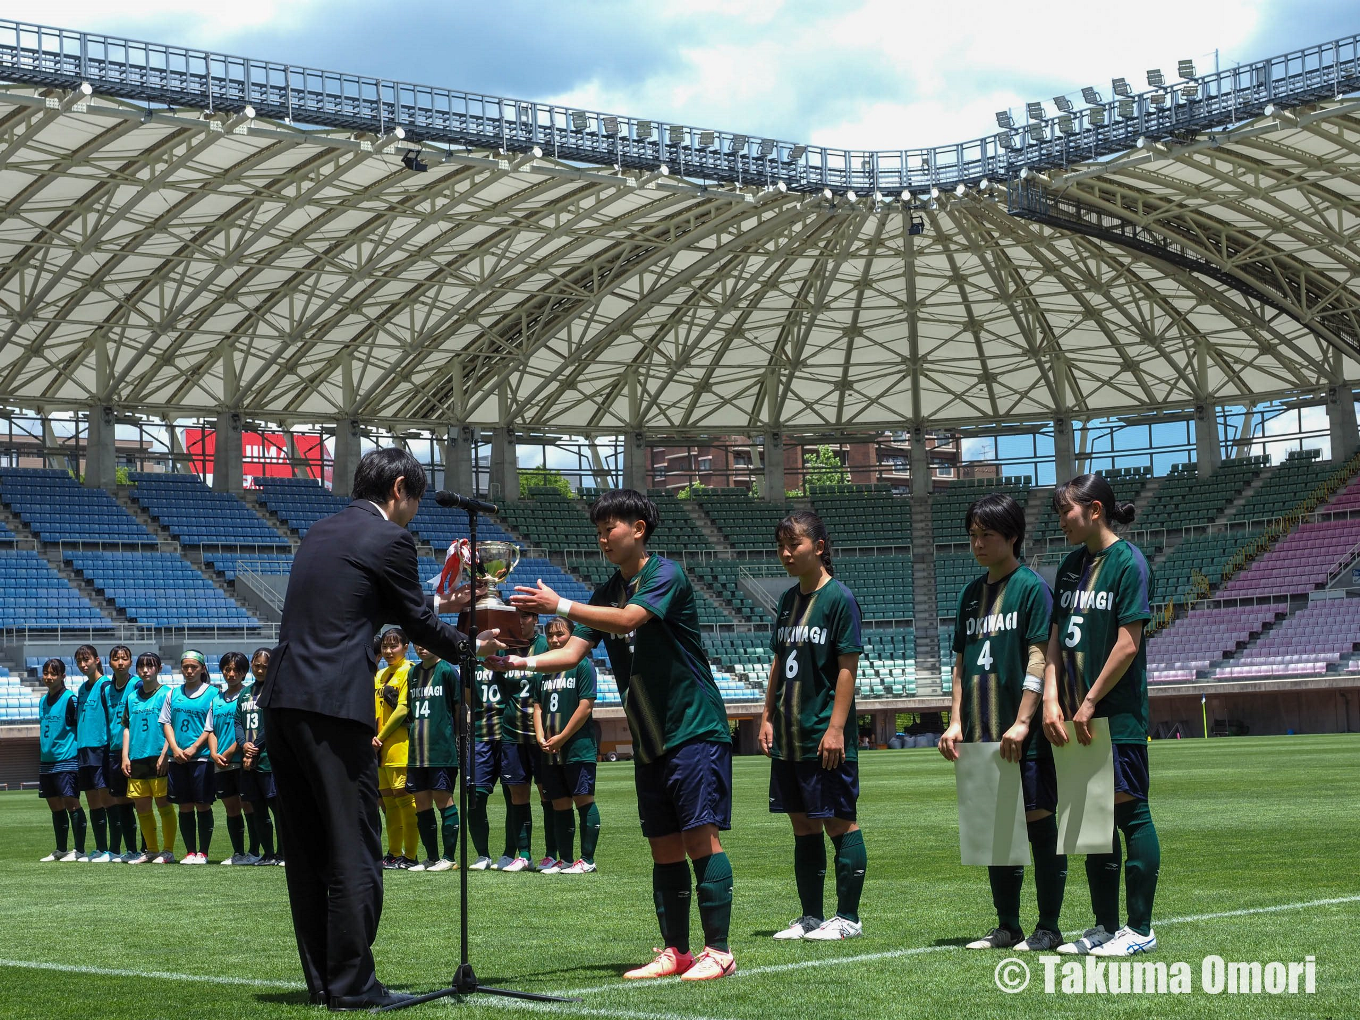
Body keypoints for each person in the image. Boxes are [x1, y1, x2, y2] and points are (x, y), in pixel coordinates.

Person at [258, 446, 498, 1012]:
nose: (413, 512)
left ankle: (323, 981)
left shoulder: (319, 531)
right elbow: (415, 622)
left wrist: (440, 602)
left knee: (308, 848)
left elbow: (360, 602)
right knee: (353, 849)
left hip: (284, 702)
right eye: (413, 500)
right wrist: (472, 649)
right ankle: (352, 985)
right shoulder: (391, 538)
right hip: (334, 705)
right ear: (398, 488)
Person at [499, 488, 736, 982]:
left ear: (639, 529)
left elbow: (631, 620)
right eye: (599, 530)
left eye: (612, 527)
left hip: (693, 727)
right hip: (651, 736)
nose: (604, 537)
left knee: (699, 838)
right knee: (663, 845)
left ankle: (720, 951)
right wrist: (520, 660)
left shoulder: (665, 574)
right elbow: (568, 655)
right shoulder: (609, 589)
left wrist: (561, 603)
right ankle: (677, 952)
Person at [937, 493, 1065, 953]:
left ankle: (1048, 926)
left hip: (1019, 734)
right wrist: (954, 721)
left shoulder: (1032, 588)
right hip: (979, 733)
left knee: (1036, 821)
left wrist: (1023, 720)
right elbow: (960, 662)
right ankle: (1007, 926)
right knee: (996, 830)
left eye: (986, 535)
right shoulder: (971, 595)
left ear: (1012, 536)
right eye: (972, 535)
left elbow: (1040, 655)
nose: (977, 544)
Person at [1042, 473, 1160, 958]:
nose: (1060, 522)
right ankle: (1104, 927)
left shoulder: (1128, 563)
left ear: (1094, 510)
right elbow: (1053, 638)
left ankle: (1140, 929)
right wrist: (1051, 697)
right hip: (1073, 717)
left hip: (1115, 714)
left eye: (1065, 512)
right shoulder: (1070, 566)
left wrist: (1089, 701)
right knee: (1092, 825)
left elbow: (1128, 643)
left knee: (1130, 813)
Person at [759, 510, 867, 942]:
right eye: (781, 546)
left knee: (839, 822)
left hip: (824, 732)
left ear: (818, 547)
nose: (786, 554)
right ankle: (810, 916)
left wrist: (836, 728)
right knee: (802, 826)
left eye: (794, 545)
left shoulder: (839, 598)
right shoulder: (787, 600)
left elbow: (847, 668)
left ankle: (848, 918)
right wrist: (766, 715)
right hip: (788, 734)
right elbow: (777, 663)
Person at [532, 617, 600, 875]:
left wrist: (561, 737)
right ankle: (566, 859)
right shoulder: (543, 669)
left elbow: (586, 707)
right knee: (559, 803)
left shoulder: (582, 665)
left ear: (572, 636)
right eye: (550, 635)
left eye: (560, 634)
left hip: (577, 748)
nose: (554, 640)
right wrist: (540, 736)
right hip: (549, 750)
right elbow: (537, 707)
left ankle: (587, 859)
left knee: (583, 801)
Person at [404, 642, 460, 872]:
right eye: (418, 643)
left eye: (428, 642)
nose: (422, 647)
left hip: (441, 749)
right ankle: (431, 858)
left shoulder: (447, 670)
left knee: (443, 799)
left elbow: (458, 708)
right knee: (421, 804)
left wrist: (455, 738)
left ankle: (449, 858)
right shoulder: (413, 673)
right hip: (417, 751)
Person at [498, 624, 548, 873]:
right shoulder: (506, 649)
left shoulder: (545, 646)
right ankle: (524, 854)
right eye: (515, 618)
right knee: (518, 796)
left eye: (525, 616)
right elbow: (502, 688)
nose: (520, 622)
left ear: (534, 618)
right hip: (512, 734)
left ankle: (552, 855)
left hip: (542, 736)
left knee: (547, 794)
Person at [161, 650, 217, 864]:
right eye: (186, 667)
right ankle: (190, 852)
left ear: (202, 668)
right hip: (177, 759)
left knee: (202, 804)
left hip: (201, 758)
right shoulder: (173, 694)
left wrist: (194, 747)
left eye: (194, 667)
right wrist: (174, 749)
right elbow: (166, 722)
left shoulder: (212, 694)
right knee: (184, 805)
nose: (190, 671)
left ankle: (203, 852)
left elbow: (210, 726)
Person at [122, 652, 176, 864]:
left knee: (163, 805)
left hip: (158, 757)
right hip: (137, 758)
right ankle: (151, 850)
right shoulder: (132, 697)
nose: (145, 670)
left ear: (159, 669)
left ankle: (168, 851)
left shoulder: (167, 694)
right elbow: (126, 728)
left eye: (150, 666)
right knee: (142, 808)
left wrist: (165, 753)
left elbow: (170, 727)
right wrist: (125, 756)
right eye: (141, 666)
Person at [373, 628, 418, 870]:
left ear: (405, 646)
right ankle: (393, 853)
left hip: (400, 745)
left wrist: (378, 736)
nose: (389, 651)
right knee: (388, 803)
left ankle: (410, 856)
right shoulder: (379, 675)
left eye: (394, 646)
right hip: (379, 749)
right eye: (385, 647)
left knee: (404, 800)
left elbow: (402, 710)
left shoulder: (409, 671)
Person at [206, 651, 255, 865]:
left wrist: (228, 752)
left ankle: (254, 852)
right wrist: (215, 754)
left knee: (249, 805)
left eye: (237, 670)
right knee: (231, 808)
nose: (231, 673)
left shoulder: (249, 696)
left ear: (244, 673)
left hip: (241, 761)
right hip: (221, 763)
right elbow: (211, 730)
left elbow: (246, 729)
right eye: (227, 669)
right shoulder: (216, 699)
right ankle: (238, 853)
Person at [237, 647, 282, 865]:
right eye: (257, 665)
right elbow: (237, 721)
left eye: (265, 666)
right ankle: (268, 853)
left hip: (267, 760)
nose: (261, 670)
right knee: (257, 810)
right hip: (247, 759)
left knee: (277, 809)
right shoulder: (245, 693)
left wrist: (255, 746)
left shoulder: (276, 690)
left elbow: (272, 723)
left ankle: (283, 853)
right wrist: (243, 744)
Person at [38, 658, 83, 862]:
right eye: (46, 673)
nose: (48, 677)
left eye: (53, 673)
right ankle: (61, 849)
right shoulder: (42, 701)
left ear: (63, 676)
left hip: (66, 760)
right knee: (55, 806)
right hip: (47, 761)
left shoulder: (70, 699)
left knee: (72, 804)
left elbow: (79, 729)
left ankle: (79, 850)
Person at [72, 644, 113, 862]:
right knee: (92, 799)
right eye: (79, 661)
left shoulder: (105, 685)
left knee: (106, 797)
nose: (83, 664)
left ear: (97, 660)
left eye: (86, 659)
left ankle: (112, 849)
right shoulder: (81, 689)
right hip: (83, 748)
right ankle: (100, 847)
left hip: (100, 746)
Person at [463, 660, 505, 871]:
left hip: (508, 734)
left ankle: (511, 854)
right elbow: (469, 694)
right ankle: (483, 855)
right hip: (480, 736)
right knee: (475, 797)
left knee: (514, 796)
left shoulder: (509, 654)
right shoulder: (472, 661)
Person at [102, 645, 139, 862]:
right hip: (115, 751)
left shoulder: (136, 684)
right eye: (116, 659)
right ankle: (132, 849)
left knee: (141, 801)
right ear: (110, 663)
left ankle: (146, 849)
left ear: (131, 662)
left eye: (124, 658)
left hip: (135, 751)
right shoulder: (107, 690)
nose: (120, 662)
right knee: (122, 803)